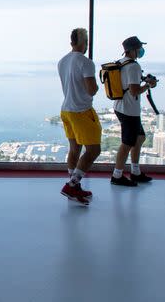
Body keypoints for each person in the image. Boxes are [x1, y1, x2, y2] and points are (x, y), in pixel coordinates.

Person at [57, 28, 100, 205]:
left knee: (74, 149)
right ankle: (72, 185)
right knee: (94, 150)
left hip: (66, 110)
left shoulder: (62, 61)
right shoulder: (86, 63)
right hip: (81, 111)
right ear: (84, 43)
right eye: (87, 42)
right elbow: (92, 90)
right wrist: (96, 87)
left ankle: (74, 186)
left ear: (71, 42)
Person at [111, 36, 157, 187]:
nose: (141, 50)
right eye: (139, 48)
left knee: (140, 137)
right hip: (129, 110)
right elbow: (134, 91)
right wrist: (149, 85)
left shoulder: (121, 63)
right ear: (132, 50)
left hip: (121, 107)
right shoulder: (133, 66)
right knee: (127, 143)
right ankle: (117, 175)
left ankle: (135, 171)